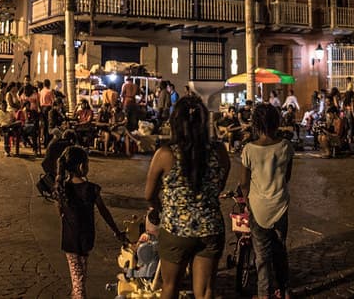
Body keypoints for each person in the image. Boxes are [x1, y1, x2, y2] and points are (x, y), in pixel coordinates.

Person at [145, 96, 230, 299]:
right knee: (206, 291)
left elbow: (149, 194)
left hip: (176, 229)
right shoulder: (219, 152)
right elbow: (219, 185)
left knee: (170, 286)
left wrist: (159, 207)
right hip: (210, 227)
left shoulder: (165, 154)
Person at [56, 146, 128, 299]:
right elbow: (104, 212)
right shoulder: (91, 189)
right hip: (86, 239)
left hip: (70, 241)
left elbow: (61, 212)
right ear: (82, 166)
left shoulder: (62, 187)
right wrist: (116, 231)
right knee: (80, 280)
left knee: (79, 279)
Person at [238, 103, 294, 299]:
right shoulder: (286, 147)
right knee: (280, 252)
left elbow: (244, 183)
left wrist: (248, 201)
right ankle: (285, 290)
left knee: (262, 258)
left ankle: (264, 294)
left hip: (257, 208)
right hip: (280, 206)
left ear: (255, 124)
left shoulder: (248, 150)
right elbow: (287, 177)